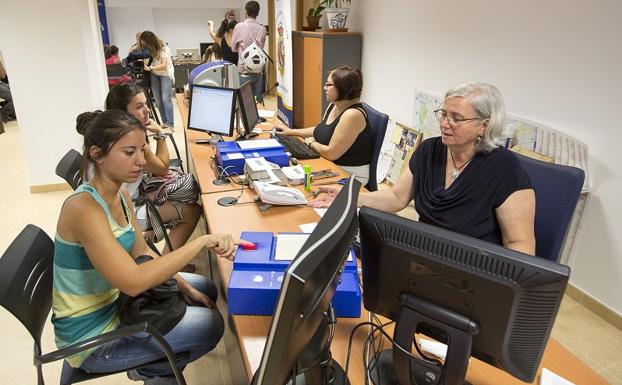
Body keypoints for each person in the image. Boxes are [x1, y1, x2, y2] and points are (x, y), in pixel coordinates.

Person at [52, 109, 235, 384]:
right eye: (129, 152)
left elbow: (144, 252)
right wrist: (201, 241)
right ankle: (155, 370)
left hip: (117, 304)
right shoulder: (83, 208)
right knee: (211, 326)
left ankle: (156, 365)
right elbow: (134, 283)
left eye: (142, 149)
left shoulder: (120, 192)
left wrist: (183, 286)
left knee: (202, 289)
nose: (141, 161)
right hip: (91, 337)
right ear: (96, 154)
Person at [313, 83, 536, 255]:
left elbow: (520, 244)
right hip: (425, 255)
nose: (445, 123)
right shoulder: (430, 150)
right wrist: (350, 197)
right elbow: (396, 197)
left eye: (456, 118)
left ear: (484, 125)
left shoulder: (504, 167)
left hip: (473, 270)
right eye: (444, 114)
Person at [104, 82, 201, 254]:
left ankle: (151, 240)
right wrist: (160, 134)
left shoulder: (113, 132)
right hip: (125, 211)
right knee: (192, 211)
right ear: (123, 113)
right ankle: (167, 267)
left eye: (146, 104)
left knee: (183, 198)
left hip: (128, 201)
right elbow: (162, 168)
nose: (147, 110)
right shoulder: (129, 139)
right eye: (139, 107)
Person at [274, 66, 372, 185]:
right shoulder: (335, 105)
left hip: (349, 174)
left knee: (296, 183)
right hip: (330, 164)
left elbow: (331, 153)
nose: (324, 88)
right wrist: (291, 132)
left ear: (343, 88)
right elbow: (321, 130)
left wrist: (310, 143)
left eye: (329, 85)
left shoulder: (352, 115)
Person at [232, 0, 267, 102]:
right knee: (257, 103)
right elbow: (260, 47)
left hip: (244, 71)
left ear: (246, 12)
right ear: (258, 13)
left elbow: (233, 48)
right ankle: (257, 117)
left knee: (244, 103)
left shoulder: (239, 27)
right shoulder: (262, 28)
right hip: (258, 71)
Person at [140, 31, 175, 127]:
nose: (145, 46)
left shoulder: (163, 47)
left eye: (146, 44)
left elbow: (164, 66)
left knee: (165, 99)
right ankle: (164, 122)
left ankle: (170, 123)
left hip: (165, 74)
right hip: (154, 74)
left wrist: (150, 68)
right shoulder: (146, 48)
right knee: (158, 100)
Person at [0, 58, 15, 122]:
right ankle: (2, 115)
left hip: (1, 83)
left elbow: (3, 76)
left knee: (17, 93)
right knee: (15, 98)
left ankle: (6, 112)